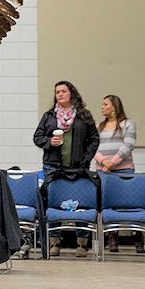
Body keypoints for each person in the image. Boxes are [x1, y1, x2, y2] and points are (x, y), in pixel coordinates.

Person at [33, 80, 99, 257]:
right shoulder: (49, 116)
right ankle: (54, 242)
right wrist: (49, 142)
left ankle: (82, 244)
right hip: (53, 167)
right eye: (57, 92)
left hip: (79, 168)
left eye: (63, 91)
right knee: (53, 203)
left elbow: (94, 139)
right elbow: (37, 137)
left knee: (81, 205)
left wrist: (86, 158)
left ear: (72, 93)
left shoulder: (84, 115)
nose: (60, 94)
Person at [92, 95, 143, 253]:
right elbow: (93, 146)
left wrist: (112, 162)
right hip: (103, 172)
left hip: (124, 170)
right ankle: (112, 238)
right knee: (107, 204)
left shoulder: (128, 124)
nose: (102, 107)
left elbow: (128, 145)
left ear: (114, 106)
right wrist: (103, 162)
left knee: (129, 204)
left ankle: (137, 238)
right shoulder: (99, 126)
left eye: (105, 104)